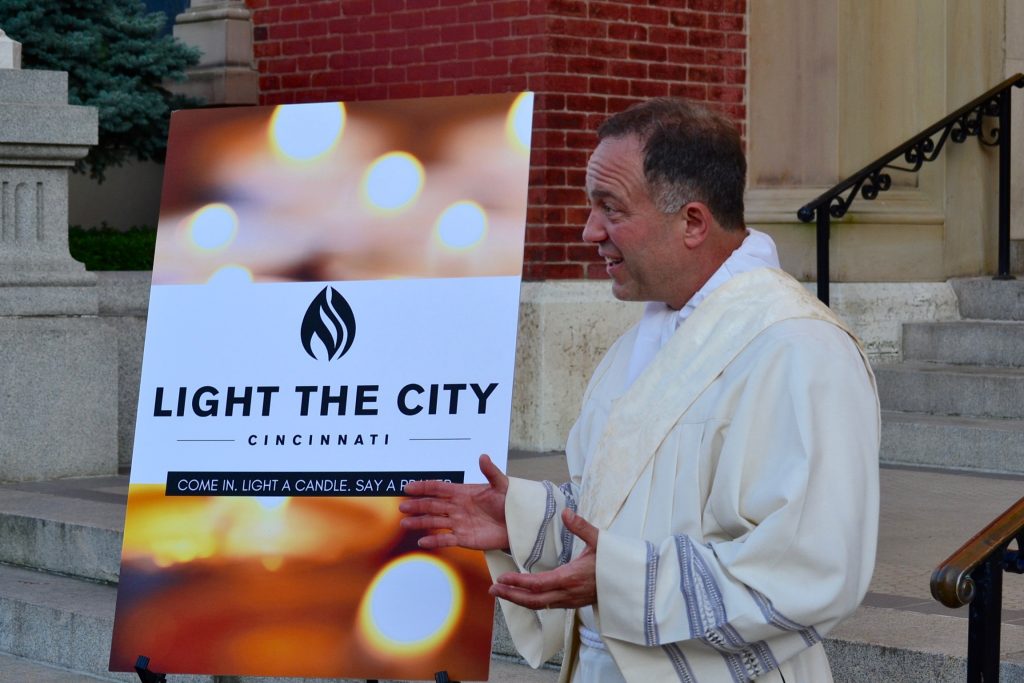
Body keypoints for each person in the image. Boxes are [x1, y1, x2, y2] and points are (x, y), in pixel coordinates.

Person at [400, 98, 879, 683]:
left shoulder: (798, 347)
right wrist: (528, 520)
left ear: (694, 223)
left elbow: (812, 569)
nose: (589, 231)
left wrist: (618, 580)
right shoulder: (644, 338)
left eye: (611, 209)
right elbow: (626, 511)